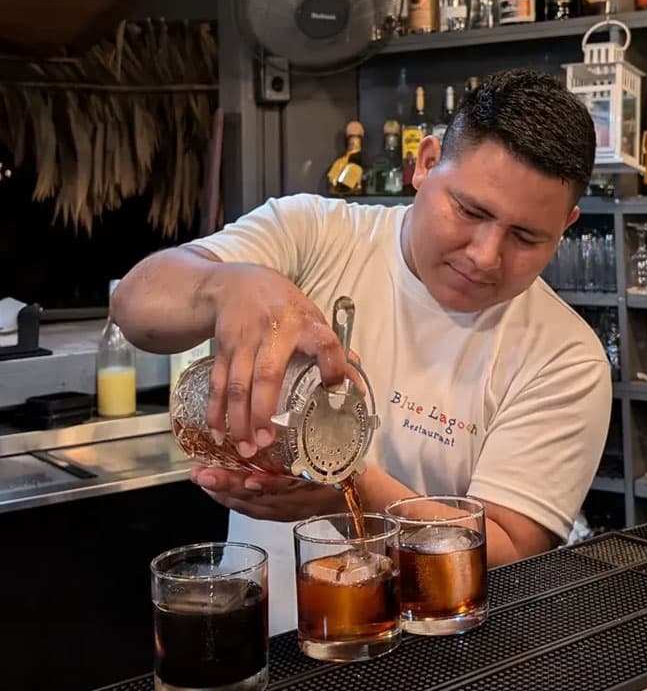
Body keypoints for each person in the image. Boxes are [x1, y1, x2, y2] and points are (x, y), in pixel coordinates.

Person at [112, 68, 612, 633]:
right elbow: (136, 307)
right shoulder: (316, 233)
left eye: (526, 237)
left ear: (567, 225)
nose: (485, 256)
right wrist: (227, 286)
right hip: (261, 641)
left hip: (441, 651)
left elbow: (509, 553)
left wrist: (343, 491)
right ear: (424, 165)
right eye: (470, 212)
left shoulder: (566, 357)